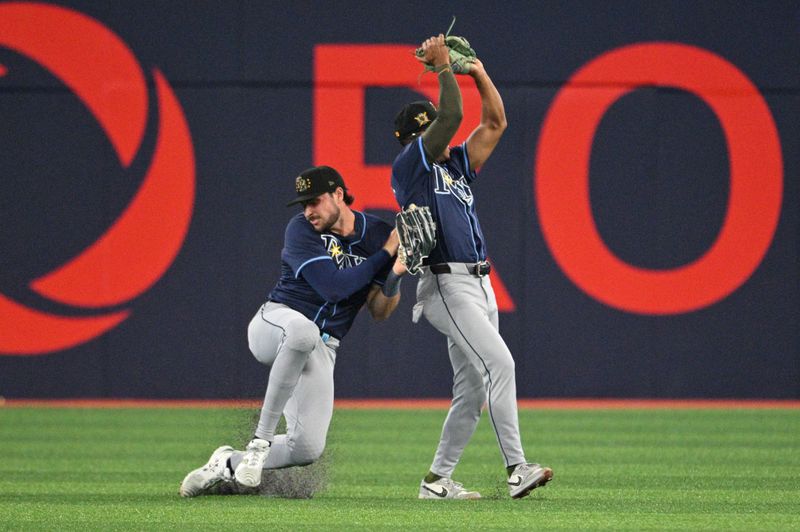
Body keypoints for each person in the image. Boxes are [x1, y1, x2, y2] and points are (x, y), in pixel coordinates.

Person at [390, 34, 553, 499]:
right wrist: (444, 68)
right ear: (412, 140)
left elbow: (496, 122)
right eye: (428, 130)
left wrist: (477, 72)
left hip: (479, 284)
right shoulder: (411, 167)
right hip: (445, 284)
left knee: (472, 389)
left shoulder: (455, 165)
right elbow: (454, 116)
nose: (438, 134)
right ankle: (518, 468)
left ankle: (436, 481)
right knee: (501, 362)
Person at [180, 165, 406, 497]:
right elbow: (334, 288)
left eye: (314, 201)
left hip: (324, 346)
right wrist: (388, 252)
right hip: (276, 322)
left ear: (338, 195)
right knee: (302, 331)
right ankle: (260, 442)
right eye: (304, 204)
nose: (308, 211)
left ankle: (227, 463)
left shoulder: (376, 234)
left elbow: (379, 311)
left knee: (307, 448)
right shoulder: (301, 230)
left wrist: (395, 273)